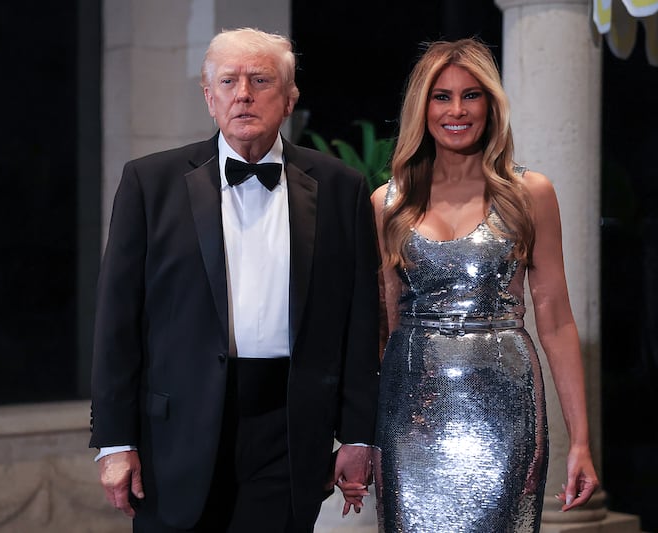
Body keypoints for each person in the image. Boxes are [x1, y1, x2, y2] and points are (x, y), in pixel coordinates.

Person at [89, 27, 380, 533]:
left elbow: (359, 321)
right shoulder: (149, 183)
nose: (243, 93)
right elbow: (117, 320)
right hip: (175, 433)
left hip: (288, 430)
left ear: (289, 99)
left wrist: (358, 435)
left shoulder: (341, 188)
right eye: (228, 81)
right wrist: (115, 442)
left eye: (260, 79)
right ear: (209, 97)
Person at [369, 38, 600, 531]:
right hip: (409, 411)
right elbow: (383, 329)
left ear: (491, 106)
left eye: (471, 95)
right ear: (422, 108)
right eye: (441, 96)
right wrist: (359, 440)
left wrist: (580, 440)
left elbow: (556, 320)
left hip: (504, 408)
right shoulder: (386, 203)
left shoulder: (529, 193)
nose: (457, 110)